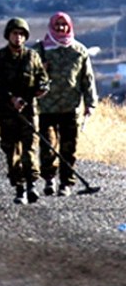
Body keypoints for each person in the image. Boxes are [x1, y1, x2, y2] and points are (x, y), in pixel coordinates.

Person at [34, 12, 98, 197]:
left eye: (64, 25)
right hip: (46, 107)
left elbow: (87, 79)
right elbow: (26, 75)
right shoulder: (40, 50)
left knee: (69, 148)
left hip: (71, 108)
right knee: (48, 146)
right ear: (51, 26)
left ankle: (66, 183)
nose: (61, 28)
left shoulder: (79, 51)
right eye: (57, 25)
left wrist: (90, 103)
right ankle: (49, 179)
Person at [0, 18, 50, 204]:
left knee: (29, 149)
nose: (18, 38)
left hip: (28, 111)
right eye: (15, 34)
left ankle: (31, 184)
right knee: (11, 151)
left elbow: (43, 78)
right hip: (7, 112)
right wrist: (11, 98)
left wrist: (41, 88)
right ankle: (19, 187)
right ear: (8, 35)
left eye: (22, 34)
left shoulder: (33, 57)